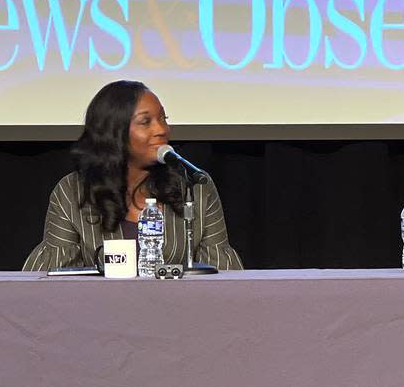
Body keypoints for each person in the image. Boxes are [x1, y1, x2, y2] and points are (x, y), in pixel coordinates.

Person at [24, 80, 243, 271]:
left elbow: (222, 276)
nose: (162, 130)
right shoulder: (73, 192)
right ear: (113, 133)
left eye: (163, 118)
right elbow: (49, 283)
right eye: (145, 122)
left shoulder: (195, 185)